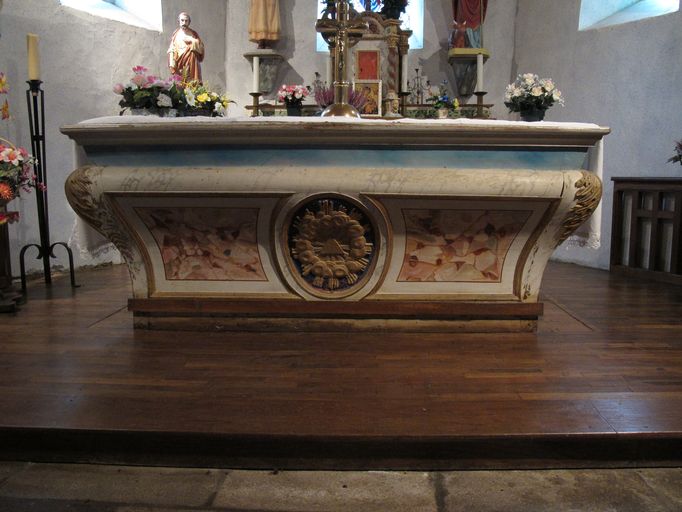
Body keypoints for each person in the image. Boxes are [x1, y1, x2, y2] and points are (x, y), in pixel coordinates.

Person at [168, 12, 205, 82]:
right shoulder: (175, 34)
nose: (184, 23)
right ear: (179, 21)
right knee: (181, 82)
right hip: (179, 63)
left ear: (189, 22)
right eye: (182, 20)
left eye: (186, 21)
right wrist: (171, 62)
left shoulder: (193, 34)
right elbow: (172, 48)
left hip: (192, 63)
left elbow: (201, 48)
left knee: (192, 82)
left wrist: (192, 40)